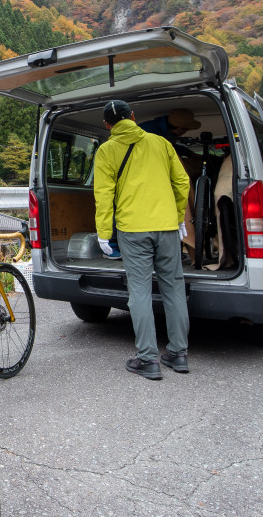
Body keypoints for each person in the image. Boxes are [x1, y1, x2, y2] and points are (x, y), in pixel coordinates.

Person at [94, 99, 191, 380]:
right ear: (133, 116)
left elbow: (103, 195)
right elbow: (182, 181)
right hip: (167, 226)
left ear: (107, 125)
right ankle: (178, 354)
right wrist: (178, 217)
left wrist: (103, 233)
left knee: (139, 290)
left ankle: (148, 359)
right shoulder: (161, 143)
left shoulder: (107, 150)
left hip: (133, 229)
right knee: (173, 286)